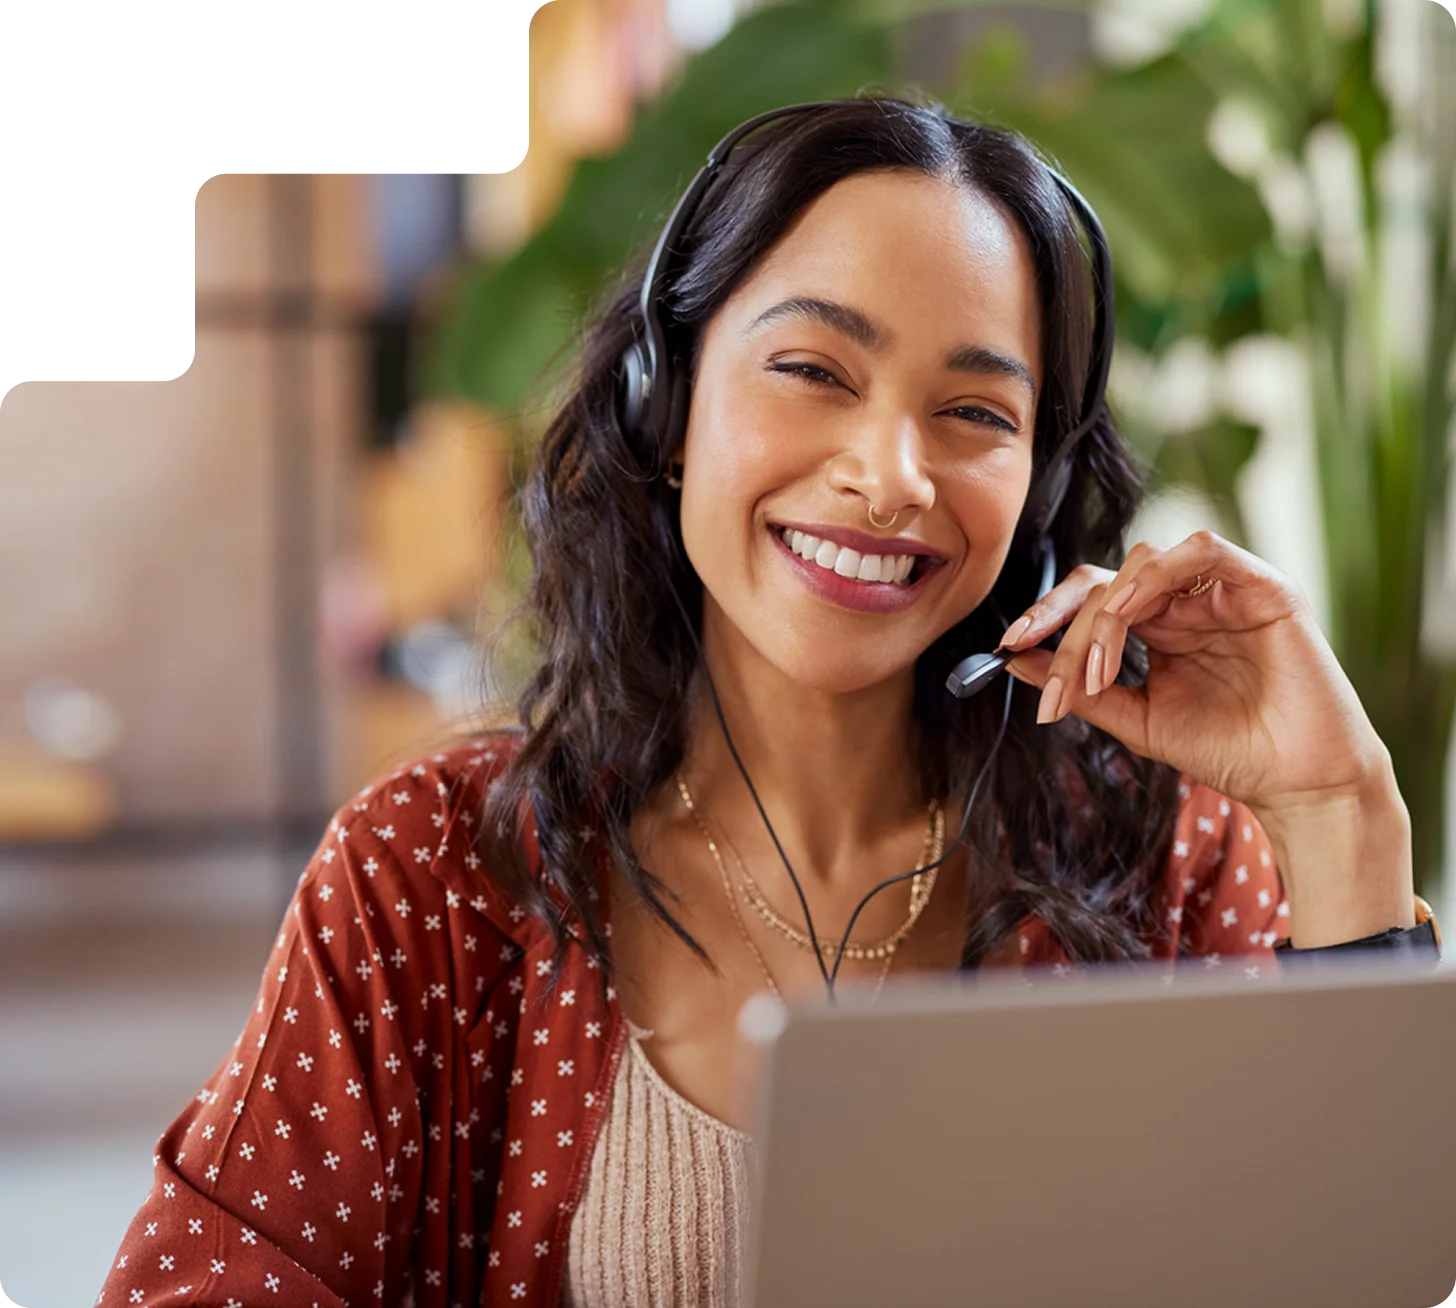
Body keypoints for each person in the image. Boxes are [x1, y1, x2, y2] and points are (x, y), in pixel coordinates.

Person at [97, 94, 1439, 1308]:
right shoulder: (433, 873)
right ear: (667, 403)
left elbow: (1369, 1266)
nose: (892, 474)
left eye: (975, 412)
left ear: (1037, 493)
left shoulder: (1167, 860)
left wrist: (1340, 813)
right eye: (814, 372)